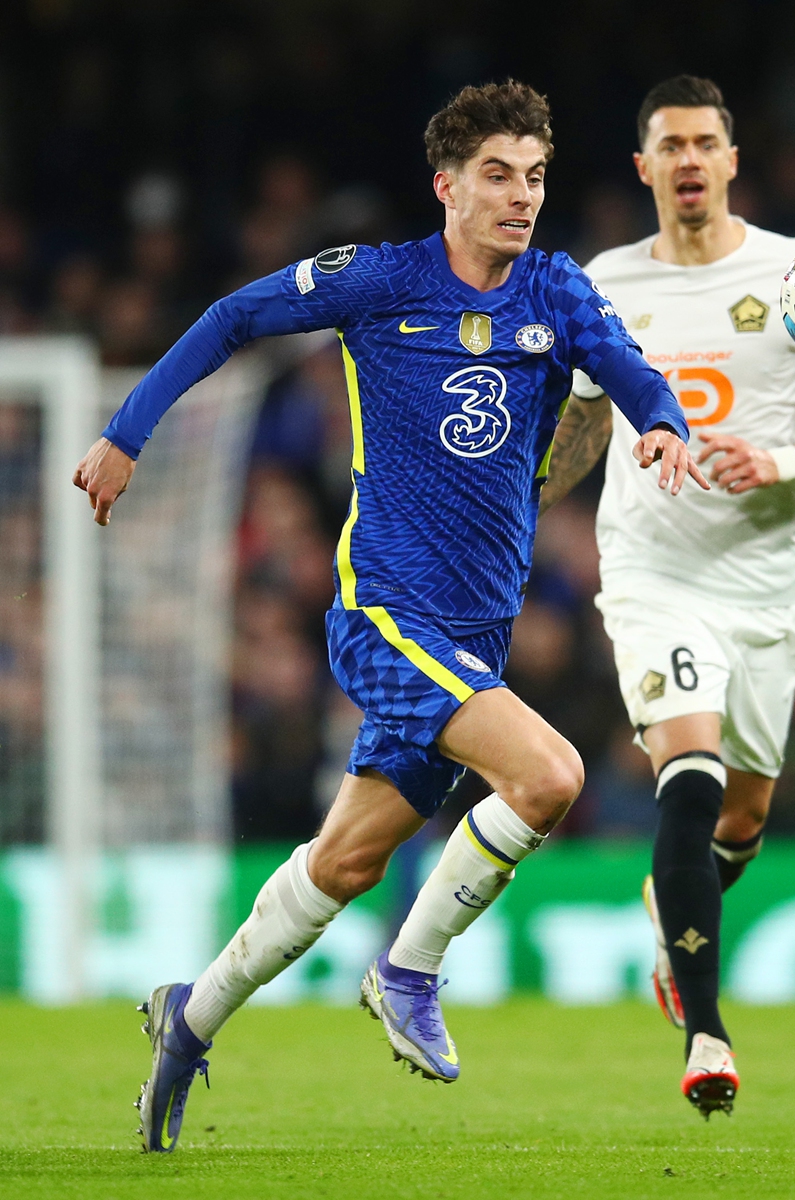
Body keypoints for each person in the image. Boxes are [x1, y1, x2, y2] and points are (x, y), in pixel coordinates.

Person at [74, 80, 706, 1154]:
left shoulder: (553, 290)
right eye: (498, 175)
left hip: (475, 634)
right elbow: (233, 317)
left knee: (344, 862)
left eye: (537, 176)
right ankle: (408, 970)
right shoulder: (377, 282)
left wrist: (664, 424)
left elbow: (630, 372)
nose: (521, 196)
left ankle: (190, 1016)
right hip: (385, 614)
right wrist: (128, 431)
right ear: (447, 185)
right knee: (548, 776)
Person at [540, 75, 795, 1117]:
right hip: (651, 575)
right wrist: (514, 504)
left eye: (706, 143)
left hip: (759, 590)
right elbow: (583, 429)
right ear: (643, 166)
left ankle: (672, 899)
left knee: (741, 818)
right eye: (670, 145)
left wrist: (778, 460)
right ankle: (706, 1032)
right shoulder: (604, 282)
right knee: (686, 780)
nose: (689, 160)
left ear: (731, 161)